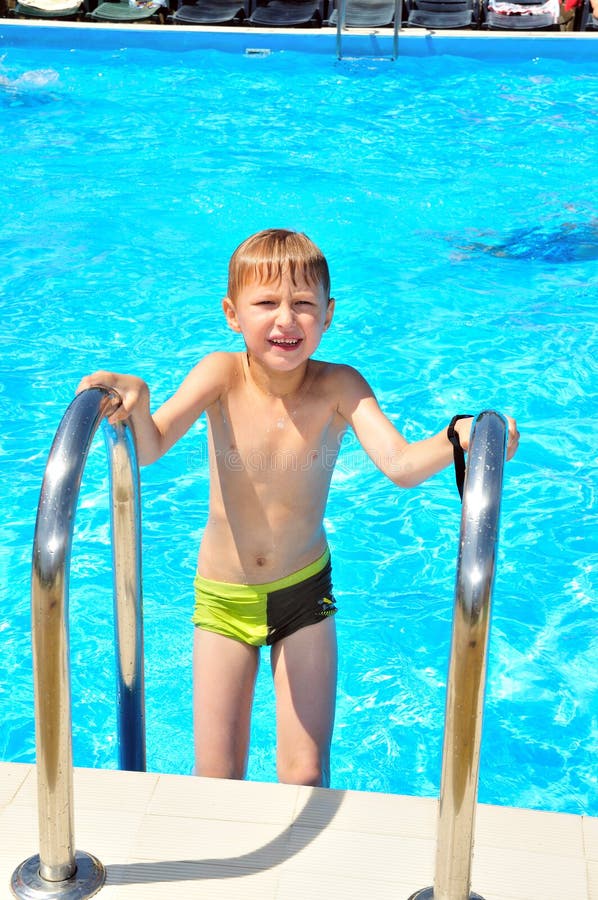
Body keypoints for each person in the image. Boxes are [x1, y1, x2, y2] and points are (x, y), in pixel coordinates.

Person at [77, 228, 519, 789]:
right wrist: (135, 397)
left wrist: (463, 435)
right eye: (266, 303)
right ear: (232, 313)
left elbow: (401, 465)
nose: (285, 319)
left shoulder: (340, 385)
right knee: (215, 774)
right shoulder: (220, 374)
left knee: (306, 772)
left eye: (304, 304)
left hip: (304, 594)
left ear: (328, 314)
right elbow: (151, 444)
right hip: (223, 598)